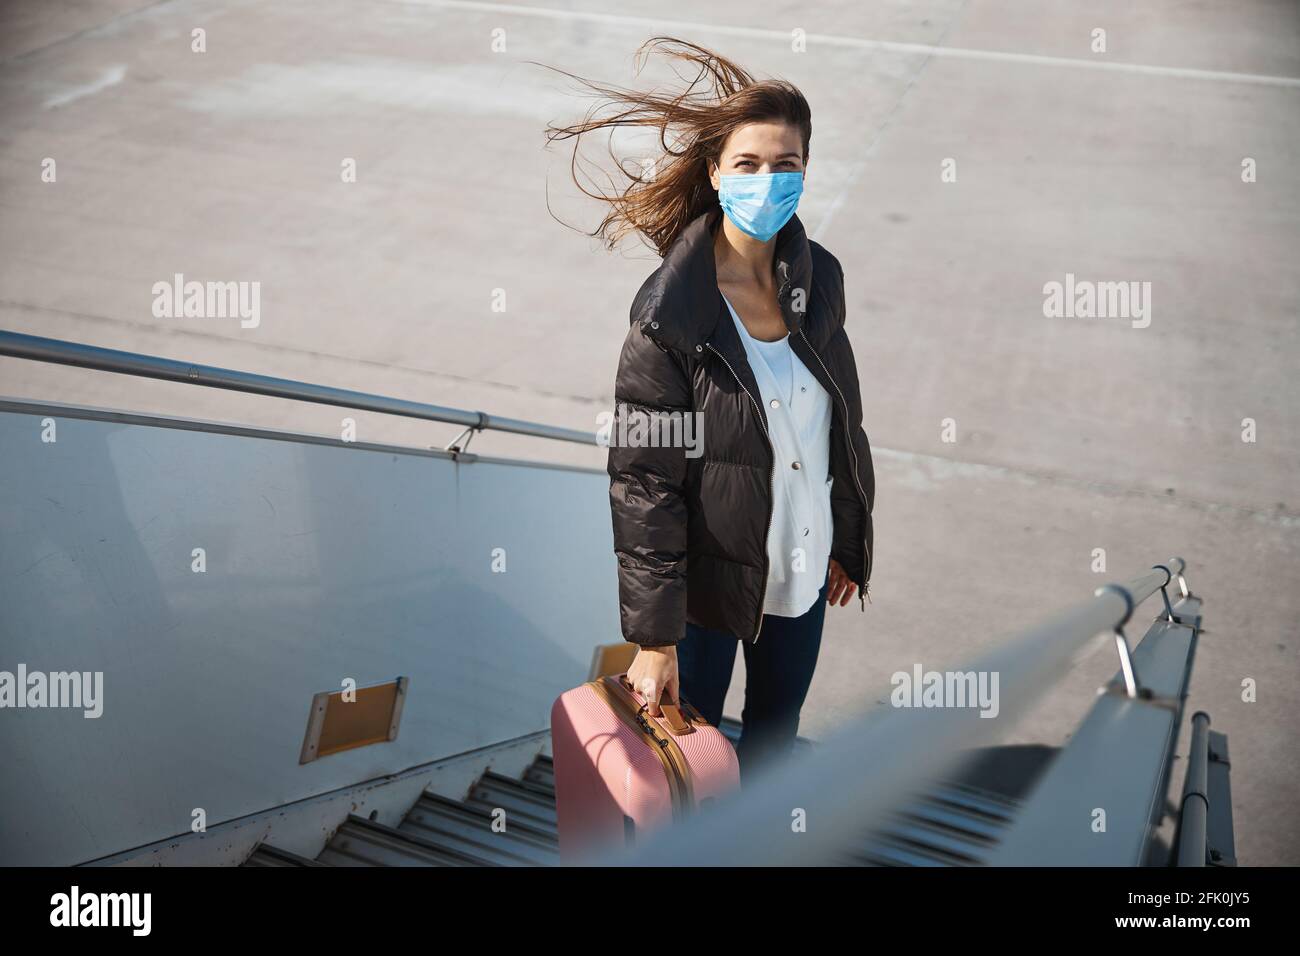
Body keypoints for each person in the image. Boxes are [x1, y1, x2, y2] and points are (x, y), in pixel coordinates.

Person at [546, 37, 875, 780]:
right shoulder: (671, 314)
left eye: (785, 164)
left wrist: (847, 537)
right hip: (705, 587)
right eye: (749, 164)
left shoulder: (819, 279)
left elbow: (840, 420)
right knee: (690, 761)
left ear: (806, 170)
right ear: (716, 174)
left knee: (774, 738)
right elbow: (644, 481)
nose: (768, 180)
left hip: (803, 567)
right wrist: (654, 639)